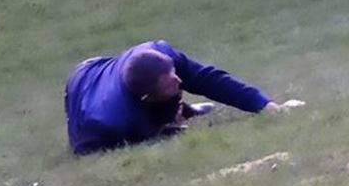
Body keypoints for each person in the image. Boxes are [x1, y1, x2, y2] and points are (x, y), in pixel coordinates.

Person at [64, 40, 297, 155]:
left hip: (102, 67)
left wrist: (264, 104)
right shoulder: (112, 121)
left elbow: (210, 79)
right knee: (150, 133)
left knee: (172, 95)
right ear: (147, 98)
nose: (179, 80)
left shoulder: (161, 55)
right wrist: (167, 130)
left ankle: (183, 110)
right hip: (82, 84)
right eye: (170, 84)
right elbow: (83, 150)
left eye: (175, 73)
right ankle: (180, 113)